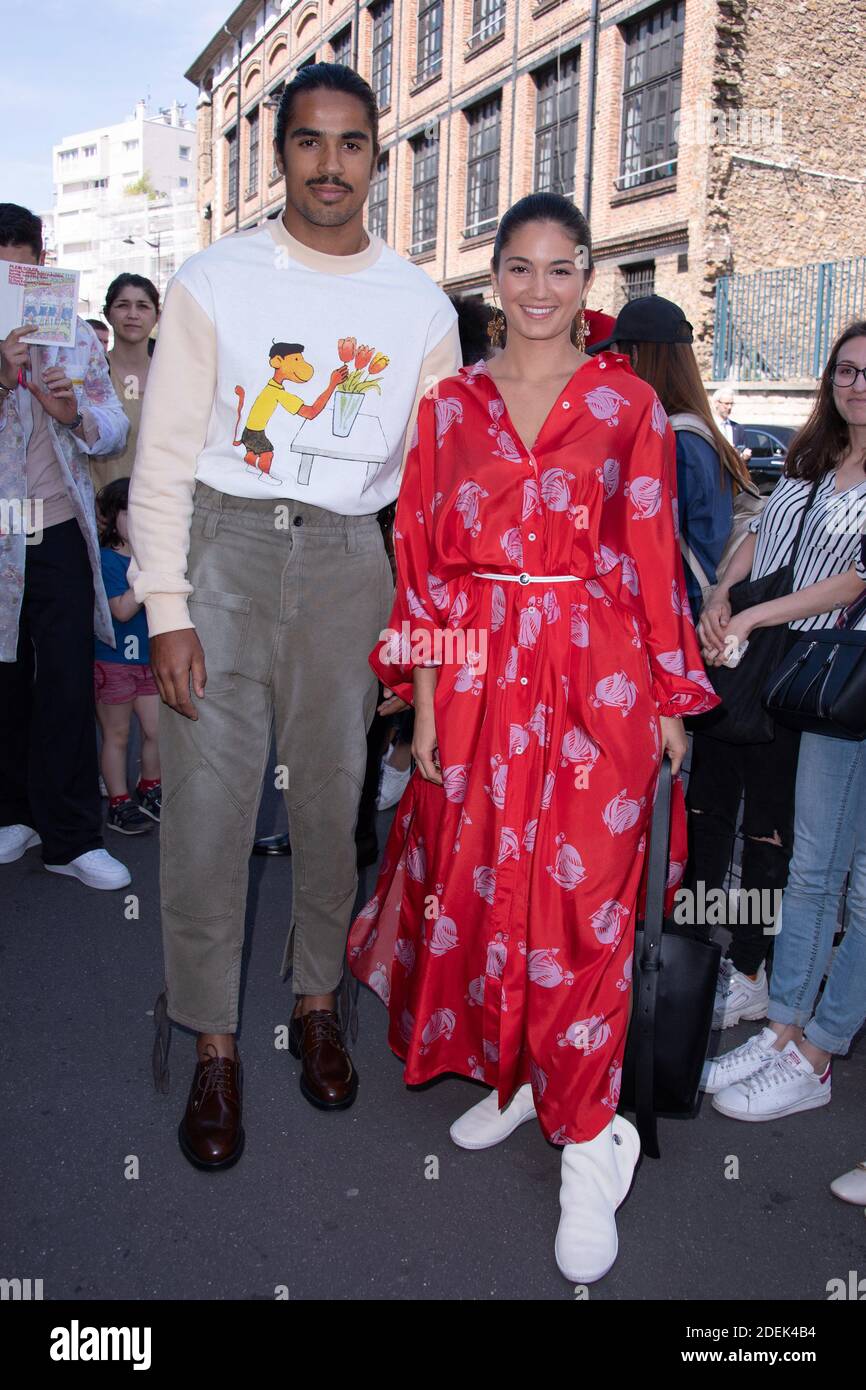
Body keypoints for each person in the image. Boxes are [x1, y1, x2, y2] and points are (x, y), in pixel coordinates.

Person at [347, 192, 719, 1285]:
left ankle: (590, 1139)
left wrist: (665, 704)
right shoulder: (448, 408)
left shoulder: (625, 406)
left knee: (586, 905)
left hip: (594, 673)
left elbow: (651, 558)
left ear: (587, 279)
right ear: (493, 277)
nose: (541, 289)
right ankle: (516, 1073)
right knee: (480, 885)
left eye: (562, 269)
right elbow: (417, 552)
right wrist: (420, 689)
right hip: (471, 673)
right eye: (520, 268)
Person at [126, 63, 460, 1170]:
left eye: (351, 143)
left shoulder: (418, 305)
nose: (329, 165)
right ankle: (213, 1039)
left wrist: (420, 633)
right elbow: (164, 455)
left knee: (329, 807)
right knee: (211, 816)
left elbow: (430, 492)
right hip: (220, 549)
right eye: (308, 143)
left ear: (377, 153)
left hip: (346, 564)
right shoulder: (214, 278)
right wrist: (166, 606)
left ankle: (315, 1001)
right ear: (279, 155)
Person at [699, 325, 866, 1117]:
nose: (857, 384)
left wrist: (763, 619)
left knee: (848, 884)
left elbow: (849, 584)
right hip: (790, 681)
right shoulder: (811, 463)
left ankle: (816, 1044)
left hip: (839, 679)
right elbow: (758, 534)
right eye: (846, 370)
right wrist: (723, 595)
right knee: (803, 869)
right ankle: (781, 1024)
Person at [0, 204, 131, 890]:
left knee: (66, 683)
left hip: (54, 530)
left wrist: (72, 412)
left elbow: (112, 428)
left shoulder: (72, 335)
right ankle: (13, 814)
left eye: (23, 269)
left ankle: (72, 836)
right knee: (5, 681)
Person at [594, 295, 755, 622]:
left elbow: (650, 551)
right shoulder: (696, 430)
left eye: (617, 355)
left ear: (635, 355)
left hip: (675, 619)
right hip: (691, 613)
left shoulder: (672, 441)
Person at [94, 479, 161, 834]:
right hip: (113, 661)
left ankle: (149, 787)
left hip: (149, 661)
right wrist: (147, 573)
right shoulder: (107, 560)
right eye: (128, 512)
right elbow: (121, 610)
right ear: (111, 517)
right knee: (117, 735)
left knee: (157, 730)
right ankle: (118, 802)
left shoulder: (152, 559)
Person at [90, 274, 159, 493]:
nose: (133, 315)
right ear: (108, 313)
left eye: (142, 306)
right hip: (103, 512)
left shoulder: (174, 377)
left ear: (157, 315)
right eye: (122, 305)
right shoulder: (92, 375)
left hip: (162, 510)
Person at [711, 387, 752, 463]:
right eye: (726, 404)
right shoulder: (710, 426)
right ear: (717, 403)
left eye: (731, 404)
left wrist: (744, 457)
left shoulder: (738, 428)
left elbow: (744, 454)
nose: (729, 407)